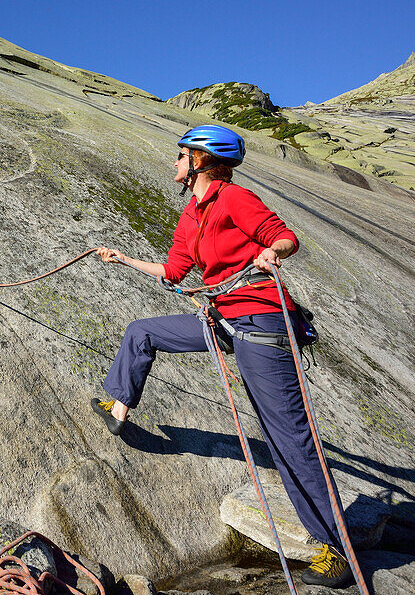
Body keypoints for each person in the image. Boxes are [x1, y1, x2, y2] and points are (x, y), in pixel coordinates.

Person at [90, 125, 354, 589]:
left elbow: (285, 236)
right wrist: (123, 259)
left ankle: (336, 550)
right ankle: (118, 405)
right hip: (222, 318)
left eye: (180, 155)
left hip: (259, 321)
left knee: (288, 437)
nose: (173, 162)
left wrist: (272, 252)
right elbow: (174, 272)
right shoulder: (190, 215)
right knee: (142, 332)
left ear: (200, 161)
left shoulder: (234, 198)